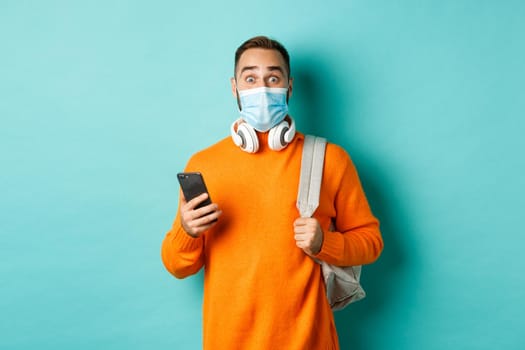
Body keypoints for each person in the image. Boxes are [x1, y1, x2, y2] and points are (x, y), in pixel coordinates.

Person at [161, 35, 384, 350]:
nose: (261, 88)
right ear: (234, 87)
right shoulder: (204, 164)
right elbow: (176, 265)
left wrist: (325, 243)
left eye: (273, 78)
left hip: (309, 342)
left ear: (289, 87)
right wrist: (187, 231)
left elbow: (371, 243)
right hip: (228, 341)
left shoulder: (329, 159)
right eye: (250, 78)